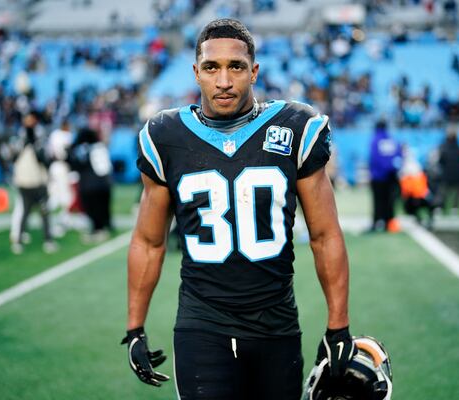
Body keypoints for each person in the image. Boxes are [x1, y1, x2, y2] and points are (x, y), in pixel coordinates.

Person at [122, 19, 354, 399]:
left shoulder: (295, 126)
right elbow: (149, 242)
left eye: (237, 67)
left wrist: (338, 326)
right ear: (196, 72)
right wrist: (135, 328)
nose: (224, 81)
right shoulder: (166, 136)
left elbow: (325, 234)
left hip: (276, 324)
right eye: (212, 68)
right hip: (202, 324)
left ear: (254, 71)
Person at [9, 112, 57, 254]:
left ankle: (48, 239)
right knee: (24, 211)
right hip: (24, 181)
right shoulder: (19, 137)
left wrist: (35, 145)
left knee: (44, 211)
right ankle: (18, 238)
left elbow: (44, 158)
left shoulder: (40, 136)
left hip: (38, 180)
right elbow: (13, 157)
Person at [68, 127, 113, 242]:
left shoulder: (84, 149)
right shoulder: (100, 147)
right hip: (105, 183)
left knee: (92, 208)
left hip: (90, 184)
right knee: (103, 207)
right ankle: (106, 226)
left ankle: (98, 230)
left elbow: (78, 165)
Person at [368, 119, 402, 232]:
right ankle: (389, 223)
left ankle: (377, 223)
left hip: (378, 177)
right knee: (390, 200)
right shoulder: (392, 140)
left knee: (378, 201)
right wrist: (391, 169)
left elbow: (374, 158)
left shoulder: (375, 140)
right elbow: (399, 155)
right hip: (391, 176)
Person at [436, 126, 459, 215]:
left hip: (446, 174)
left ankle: (439, 208)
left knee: (443, 192)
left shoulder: (443, 148)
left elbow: (440, 161)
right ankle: (455, 208)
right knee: (456, 193)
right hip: (458, 174)